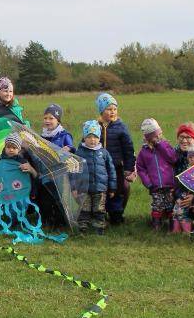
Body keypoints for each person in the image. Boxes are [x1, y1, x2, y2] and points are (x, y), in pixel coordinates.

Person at [96, 93, 135, 225]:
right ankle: (100, 214)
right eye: (108, 109)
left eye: (114, 109)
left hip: (117, 166)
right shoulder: (95, 126)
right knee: (101, 191)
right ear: (101, 111)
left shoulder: (120, 127)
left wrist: (129, 168)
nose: (112, 112)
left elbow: (128, 148)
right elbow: (86, 142)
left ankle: (116, 215)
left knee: (117, 191)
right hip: (99, 166)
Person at [136, 118, 179, 231]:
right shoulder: (144, 152)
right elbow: (140, 169)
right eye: (155, 136)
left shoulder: (165, 145)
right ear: (148, 137)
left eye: (160, 134)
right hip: (155, 186)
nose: (159, 137)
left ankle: (172, 226)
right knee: (157, 206)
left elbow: (173, 158)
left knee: (170, 206)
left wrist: (161, 146)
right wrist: (148, 183)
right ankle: (156, 225)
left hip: (169, 184)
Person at [74, 120, 116, 235]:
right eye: (89, 137)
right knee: (84, 209)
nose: (92, 140)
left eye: (95, 137)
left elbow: (111, 170)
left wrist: (112, 188)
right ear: (84, 138)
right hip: (84, 189)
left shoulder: (104, 153)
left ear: (99, 138)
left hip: (100, 188)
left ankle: (99, 227)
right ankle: (83, 227)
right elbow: (74, 172)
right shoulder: (79, 153)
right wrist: (74, 188)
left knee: (99, 209)